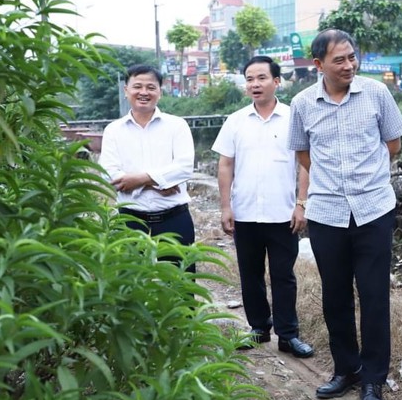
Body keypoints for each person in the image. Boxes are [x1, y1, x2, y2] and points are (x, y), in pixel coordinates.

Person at [288, 28, 402, 400]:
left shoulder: (376, 93)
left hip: (373, 209)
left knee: (374, 296)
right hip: (326, 214)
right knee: (334, 295)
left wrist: (365, 177)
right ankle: (346, 369)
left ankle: (374, 378)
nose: (348, 65)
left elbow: (393, 145)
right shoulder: (303, 103)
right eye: (339, 60)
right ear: (318, 64)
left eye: (352, 57)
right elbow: (304, 154)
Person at [212, 56, 314, 358]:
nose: (255, 84)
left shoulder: (293, 117)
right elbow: (225, 164)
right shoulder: (236, 120)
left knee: (284, 276)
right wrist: (225, 207)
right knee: (250, 274)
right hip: (245, 213)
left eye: (261, 78)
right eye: (250, 79)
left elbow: (305, 164)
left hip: (283, 213)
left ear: (276, 81)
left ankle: (288, 335)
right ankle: (258, 328)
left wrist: (301, 203)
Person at [99, 64, 196, 271]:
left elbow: (184, 167)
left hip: (174, 218)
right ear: (126, 91)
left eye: (151, 87)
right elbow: (108, 175)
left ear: (160, 91)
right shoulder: (113, 130)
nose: (144, 92)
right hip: (130, 220)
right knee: (129, 287)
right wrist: (154, 183)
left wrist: (137, 180)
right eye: (137, 87)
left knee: (180, 285)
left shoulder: (177, 125)